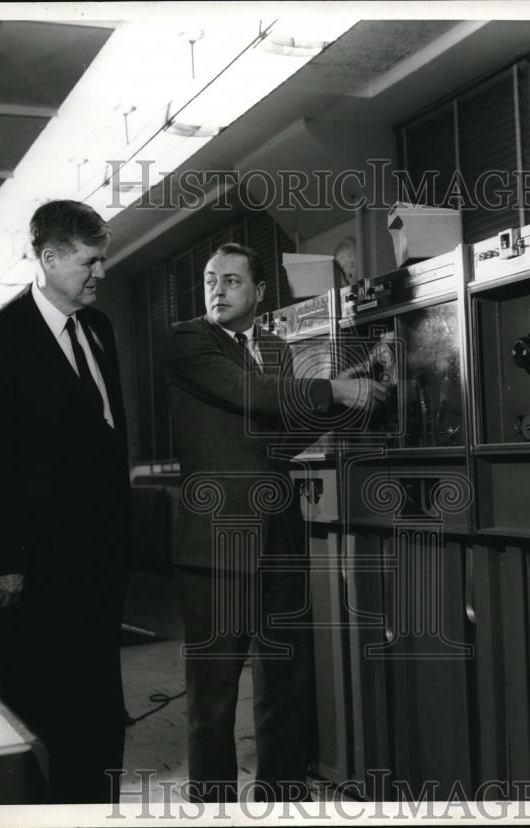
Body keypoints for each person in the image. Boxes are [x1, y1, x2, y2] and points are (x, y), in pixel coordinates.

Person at [164, 242, 385, 802]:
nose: (217, 289)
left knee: (287, 679)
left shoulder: (272, 347)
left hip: (279, 533)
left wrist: (357, 387)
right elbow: (254, 394)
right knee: (213, 692)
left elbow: (281, 438)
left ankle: (280, 797)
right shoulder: (189, 340)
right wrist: (333, 386)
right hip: (216, 540)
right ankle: (213, 805)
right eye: (212, 278)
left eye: (233, 281)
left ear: (259, 293)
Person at [0, 200, 132, 804]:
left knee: (103, 709)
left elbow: (110, 437)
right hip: (37, 567)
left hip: (101, 561)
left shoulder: (100, 329)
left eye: (103, 259)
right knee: (49, 710)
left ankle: (99, 807)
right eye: (90, 261)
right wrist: (5, 559)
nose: (100, 272)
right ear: (49, 258)